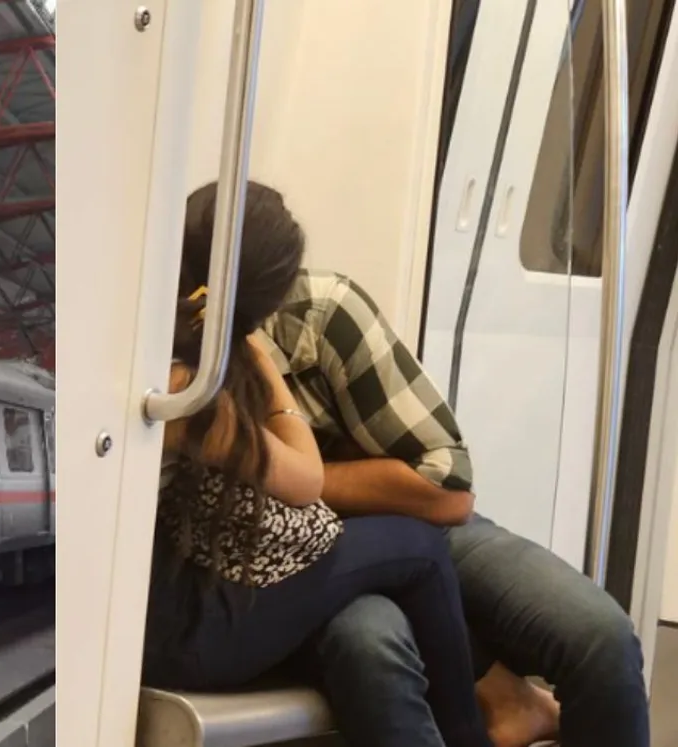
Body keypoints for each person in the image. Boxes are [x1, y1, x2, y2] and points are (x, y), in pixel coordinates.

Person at [222, 184, 649, 745]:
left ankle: (510, 700)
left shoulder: (321, 312)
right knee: (373, 644)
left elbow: (447, 489)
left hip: (419, 527)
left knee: (602, 637)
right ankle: (503, 699)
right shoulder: (185, 363)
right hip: (297, 561)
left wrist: (303, 479)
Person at [140, 180, 495, 747]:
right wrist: (267, 369)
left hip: (170, 604)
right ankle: (470, 731)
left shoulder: (157, 344)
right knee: (421, 550)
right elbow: (304, 481)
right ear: (268, 301)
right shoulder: (188, 389)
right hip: (183, 637)